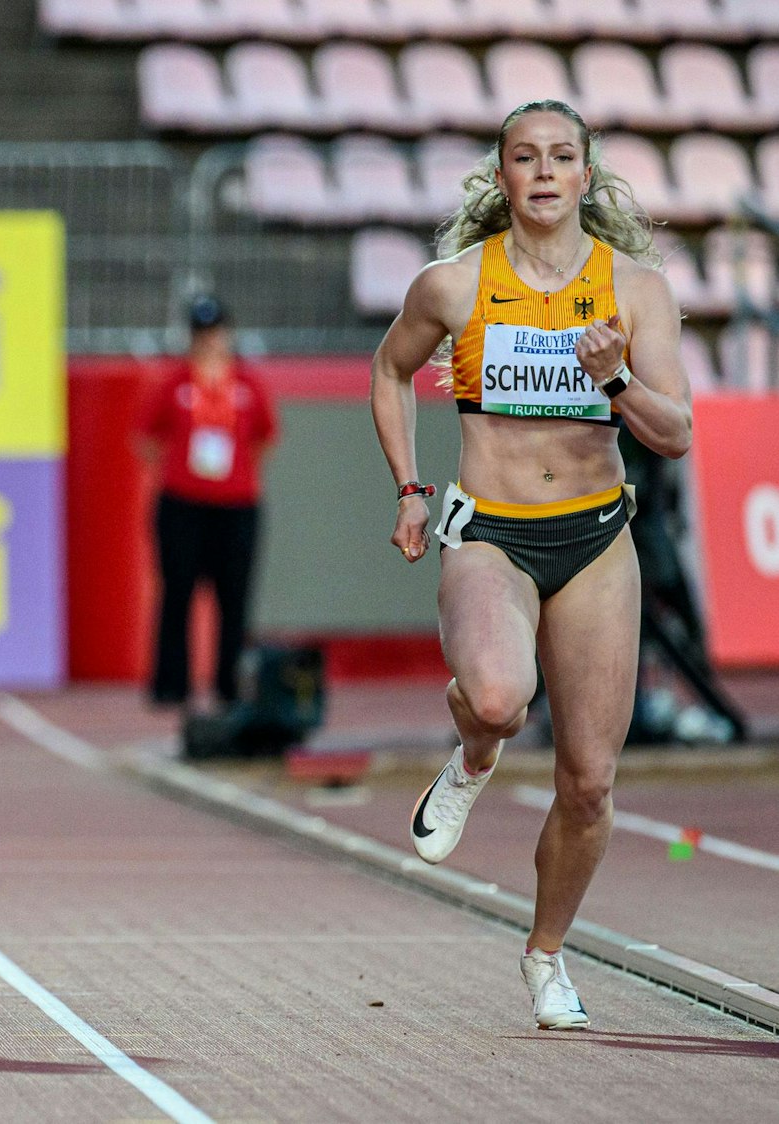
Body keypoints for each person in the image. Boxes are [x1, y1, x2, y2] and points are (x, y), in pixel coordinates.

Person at [369, 100, 691, 1030]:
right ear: (501, 175)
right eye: (524, 157)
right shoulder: (454, 285)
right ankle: (474, 753)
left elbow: (676, 433)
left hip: (595, 539)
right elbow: (390, 370)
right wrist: (410, 488)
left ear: (587, 174)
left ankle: (546, 955)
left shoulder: (636, 291)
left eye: (560, 157)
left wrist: (616, 380)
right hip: (491, 533)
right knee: (500, 698)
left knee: (589, 782)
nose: (544, 172)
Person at [140, 296, 279, 711]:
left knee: (233, 598)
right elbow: (145, 436)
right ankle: (171, 685)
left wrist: (237, 474)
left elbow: (266, 437)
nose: (209, 341)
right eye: (202, 334)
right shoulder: (175, 382)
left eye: (216, 333)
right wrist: (179, 470)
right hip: (182, 505)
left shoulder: (247, 384)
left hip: (236, 506)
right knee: (176, 593)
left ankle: (229, 684)